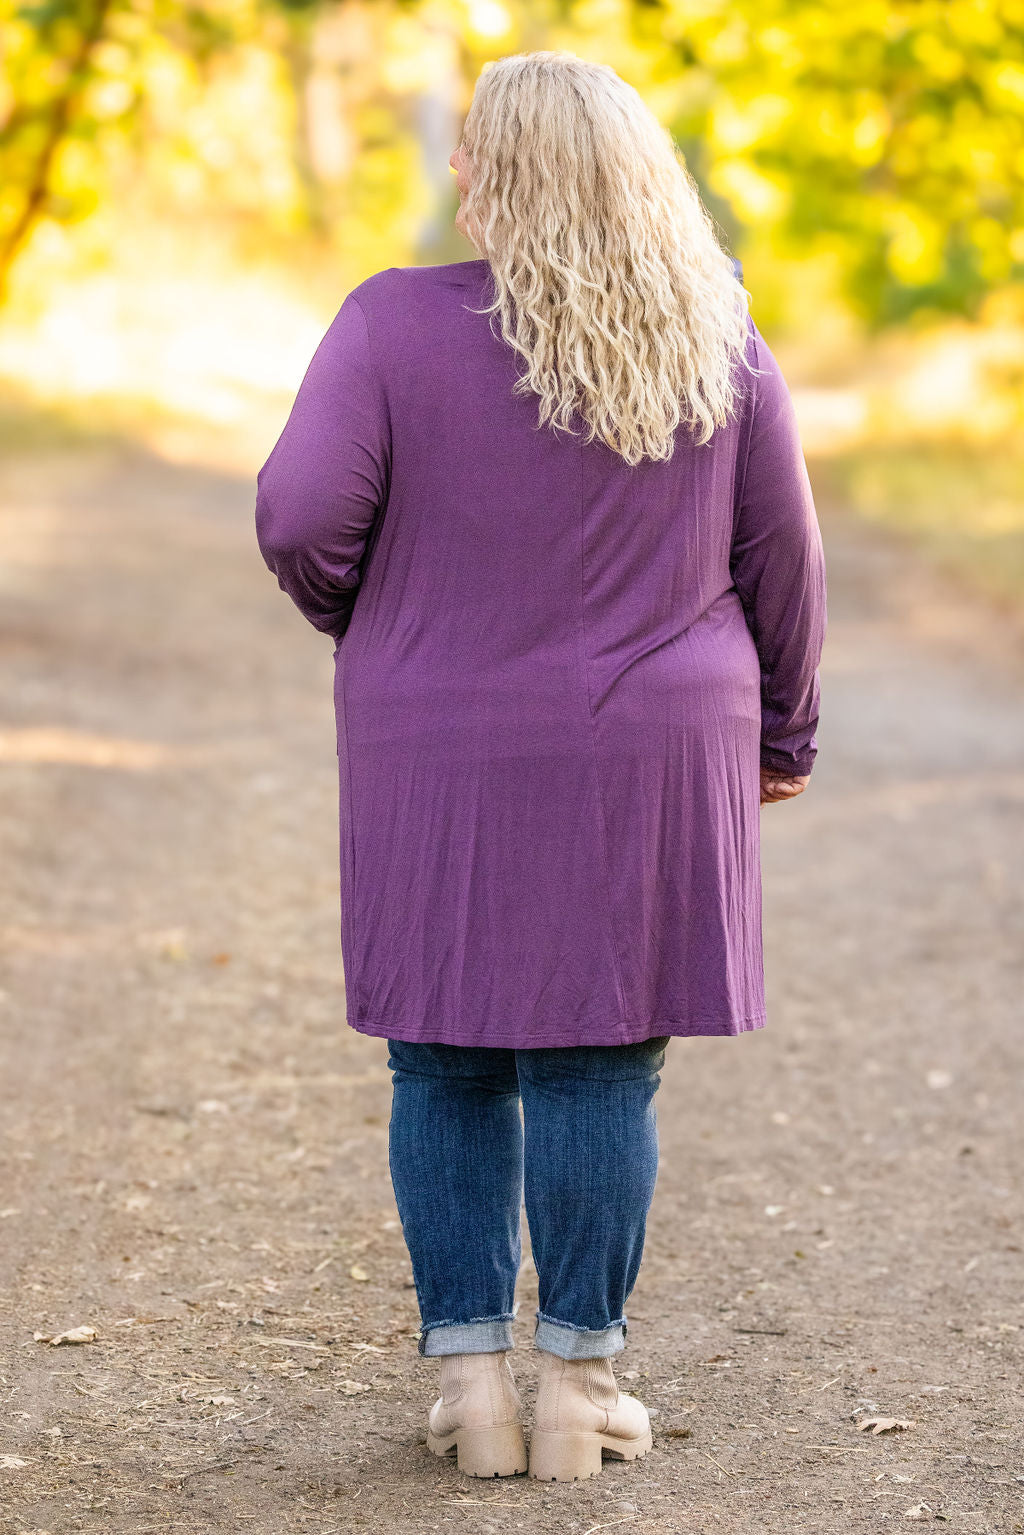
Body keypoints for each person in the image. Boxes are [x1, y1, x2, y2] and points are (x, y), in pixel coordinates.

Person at [254, 50, 827, 1482]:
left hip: (434, 734)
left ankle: (471, 1391)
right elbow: (786, 568)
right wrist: (787, 735)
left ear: (489, 175)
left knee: (442, 1053)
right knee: (599, 1062)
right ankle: (580, 1385)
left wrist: (377, 622)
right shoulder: (718, 341)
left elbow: (299, 517)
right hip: (649, 748)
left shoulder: (391, 326)